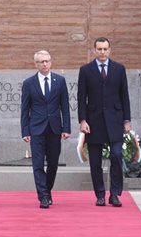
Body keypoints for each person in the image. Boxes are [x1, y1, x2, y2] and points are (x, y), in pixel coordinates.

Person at [77, 37, 131, 207]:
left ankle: (115, 194)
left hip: (115, 120)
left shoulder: (119, 69)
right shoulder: (85, 70)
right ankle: (100, 194)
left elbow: (125, 96)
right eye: (99, 49)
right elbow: (81, 97)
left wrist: (127, 120)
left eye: (105, 49)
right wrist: (83, 120)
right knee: (95, 161)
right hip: (94, 122)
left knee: (116, 156)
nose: (102, 52)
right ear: (94, 50)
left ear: (110, 50)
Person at [21, 50, 71, 209]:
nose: (45, 64)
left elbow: (65, 107)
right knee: (37, 164)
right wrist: (25, 131)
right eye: (41, 62)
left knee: (53, 164)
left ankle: (47, 190)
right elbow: (25, 109)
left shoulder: (60, 81)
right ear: (36, 64)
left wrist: (66, 128)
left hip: (55, 129)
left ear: (51, 62)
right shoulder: (29, 83)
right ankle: (43, 196)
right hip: (36, 129)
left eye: (47, 61)